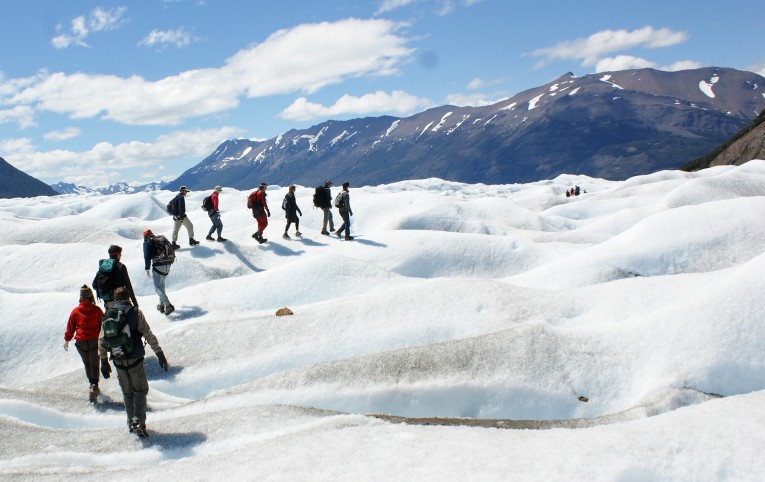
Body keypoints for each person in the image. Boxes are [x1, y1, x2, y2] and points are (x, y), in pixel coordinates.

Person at [99, 287, 168, 439]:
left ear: (115, 299)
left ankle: (131, 423)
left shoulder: (109, 315)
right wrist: (159, 353)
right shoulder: (135, 313)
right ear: (128, 298)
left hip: (118, 360)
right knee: (140, 391)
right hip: (135, 358)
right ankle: (139, 422)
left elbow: (102, 340)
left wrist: (104, 361)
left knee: (127, 392)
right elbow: (148, 334)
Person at [64, 285, 105, 403]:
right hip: (94, 340)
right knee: (94, 363)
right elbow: (102, 325)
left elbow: (70, 327)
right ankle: (94, 385)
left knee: (87, 363)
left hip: (81, 341)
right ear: (91, 296)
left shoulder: (76, 311)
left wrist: (67, 340)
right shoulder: (96, 310)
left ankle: (91, 384)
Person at [142, 229, 175, 315]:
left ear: (144, 236)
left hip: (158, 266)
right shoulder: (160, 239)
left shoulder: (147, 242)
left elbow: (147, 256)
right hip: (168, 264)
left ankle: (168, 305)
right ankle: (161, 305)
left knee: (157, 288)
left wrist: (147, 268)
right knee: (161, 285)